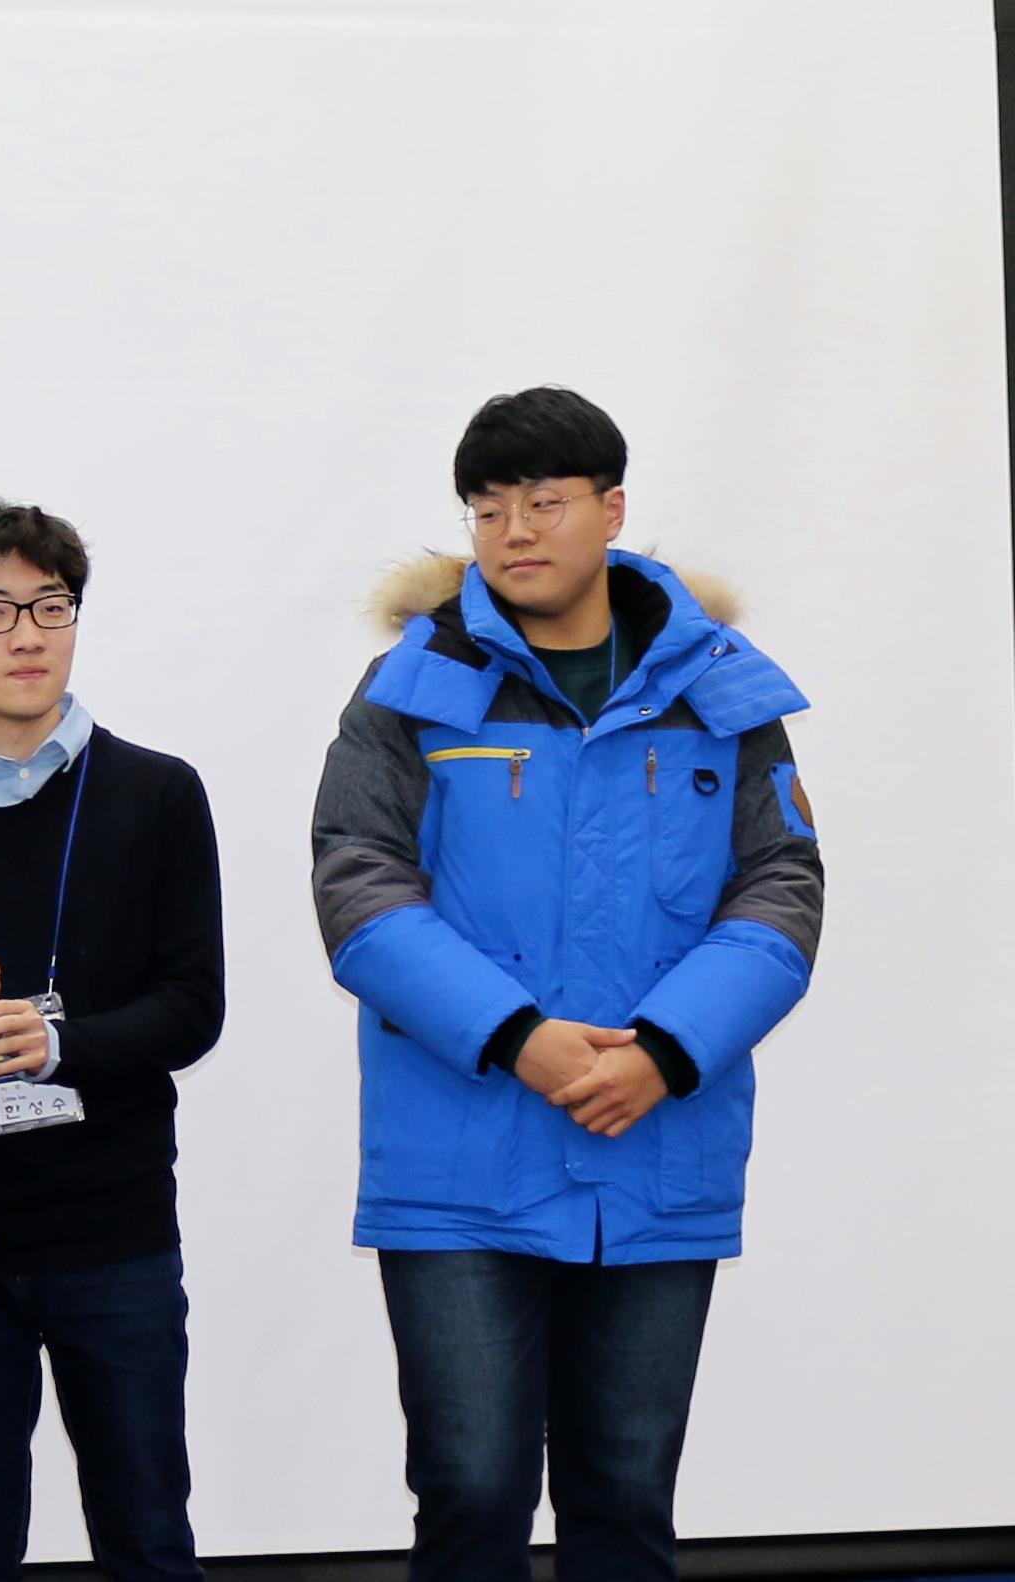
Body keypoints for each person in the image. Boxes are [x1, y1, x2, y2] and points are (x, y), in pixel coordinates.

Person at [310, 387, 824, 1580]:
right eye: (488, 509)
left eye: (544, 502)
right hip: (462, 1151)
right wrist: (515, 1035)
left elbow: (783, 887)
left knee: (627, 1491)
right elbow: (357, 882)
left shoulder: (717, 687)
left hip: (657, 1141)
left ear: (613, 510)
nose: (514, 531)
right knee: (471, 1486)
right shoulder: (412, 685)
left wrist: (666, 1050)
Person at [0, 499, 223, 1580]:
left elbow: (192, 1006)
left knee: (148, 1533)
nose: (27, 635)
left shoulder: (157, 792)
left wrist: (60, 1042)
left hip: (114, 1224)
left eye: (50, 606)